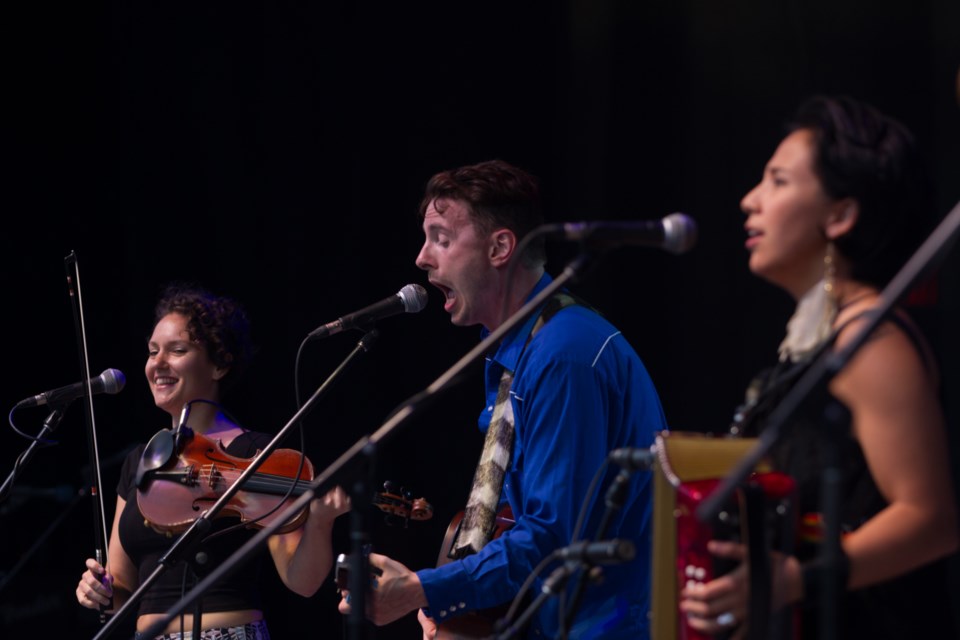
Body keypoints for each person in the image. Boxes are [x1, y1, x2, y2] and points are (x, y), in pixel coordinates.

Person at [338, 159, 669, 638]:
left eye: (441, 238)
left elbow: (553, 538)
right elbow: (523, 520)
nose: (422, 258)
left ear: (500, 247)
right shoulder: (518, 345)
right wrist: (460, 612)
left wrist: (426, 590)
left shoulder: (563, 353)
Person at [678, 96, 959, 639]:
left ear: (841, 215)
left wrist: (797, 579)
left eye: (778, 182)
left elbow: (931, 520)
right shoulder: (823, 337)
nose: (749, 200)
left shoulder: (872, 340)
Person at [76, 284, 350, 639]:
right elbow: (122, 586)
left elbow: (303, 582)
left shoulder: (256, 454)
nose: (158, 363)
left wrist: (320, 522)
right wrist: (99, 590)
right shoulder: (139, 462)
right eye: (152, 351)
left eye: (177, 350)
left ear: (219, 364)